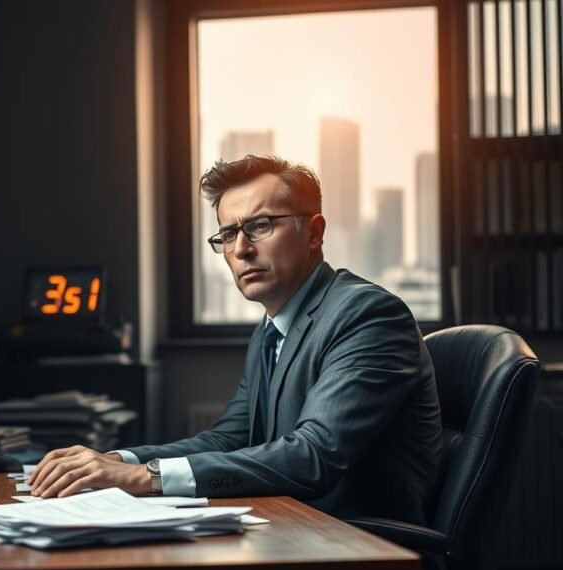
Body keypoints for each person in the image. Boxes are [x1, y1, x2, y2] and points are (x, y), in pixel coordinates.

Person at [28, 155, 443, 525]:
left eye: (260, 226)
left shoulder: (367, 315)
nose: (241, 249)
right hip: (293, 529)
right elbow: (229, 438)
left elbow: (313, 456)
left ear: (314, 232)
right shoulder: (271, 329)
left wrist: (143, 478)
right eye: (227, 234)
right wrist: (120, 460)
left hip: (362, 550)